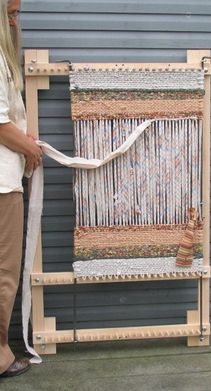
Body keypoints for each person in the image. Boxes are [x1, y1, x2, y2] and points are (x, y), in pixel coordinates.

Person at [0, 0, 43, 377]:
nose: (16, 21)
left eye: (17, 14)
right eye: (10, 14)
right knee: (5, 271)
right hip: (1, 185)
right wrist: (29, 147)